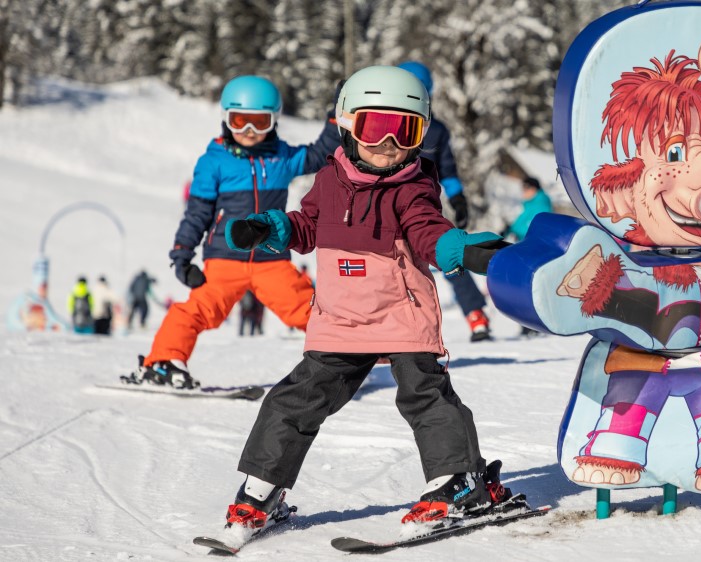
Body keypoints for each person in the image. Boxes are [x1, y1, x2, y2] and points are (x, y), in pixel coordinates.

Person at [217, 66, 517, 541]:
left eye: (406, 130)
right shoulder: (328, 179)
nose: (389, 142)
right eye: (375, 127)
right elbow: (307, 224)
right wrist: (273, 228)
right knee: (294, 401)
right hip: (341, 319)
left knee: (425, 396)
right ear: (347, 125)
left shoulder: (414, 186)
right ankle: (259, 494)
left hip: (402, 314)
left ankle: (459, 482)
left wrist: (458, 248)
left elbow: (427, 231)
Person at [125, 75, 341, 389]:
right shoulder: (214, 163)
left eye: (259, 122)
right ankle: (162, 362)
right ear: (226, 120)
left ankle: (353, 350)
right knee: (196, 311)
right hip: (225, 259)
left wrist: (337, 117)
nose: (249, 132)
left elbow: (323, 153)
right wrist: (182, 256)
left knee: (307, 309)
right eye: (240, 122)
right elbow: (197, 213)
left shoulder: (281, 158)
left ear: (274, 121)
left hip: (271, 259)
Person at [398, 61, 493, 342]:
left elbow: (447, 169)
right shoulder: (384, 124)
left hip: (422, 207)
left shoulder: (436, 130)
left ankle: (476, 315)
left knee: (447, 255)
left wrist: (458, 198)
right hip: (387, 206)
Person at [505, 176, 553, 337]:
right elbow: (520, 223)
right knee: (528, 286)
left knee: (531, 286)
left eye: (526, 188)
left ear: (534, 189)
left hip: (535, 251)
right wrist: (508, 230)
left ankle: (534, 323)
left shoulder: (540, 204)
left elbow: (529, 227)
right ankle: (529, 323)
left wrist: (513, 231)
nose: (523, 192)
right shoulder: (531, 205)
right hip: (528, 250)